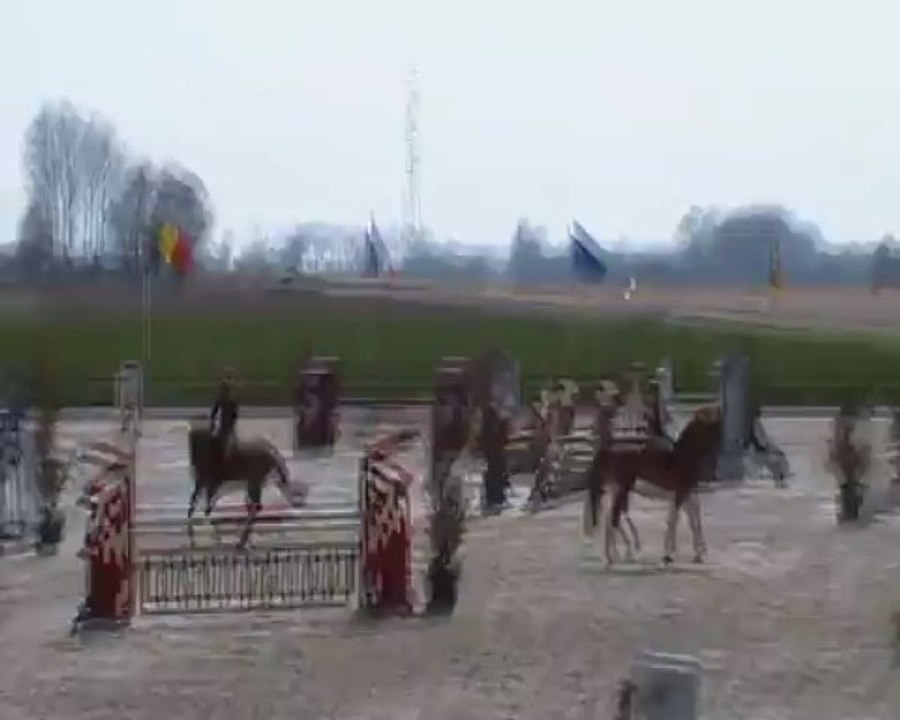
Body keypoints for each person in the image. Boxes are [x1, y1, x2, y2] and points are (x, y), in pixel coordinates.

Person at [209, 369, 239, 483]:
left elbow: (214, 412)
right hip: (228, 423)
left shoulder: (221, 399)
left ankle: (220, 465)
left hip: (224, 423)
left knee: (222, 442)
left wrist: (212, 423)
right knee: (231, 442)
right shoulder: (231, 400)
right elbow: (235, 414)